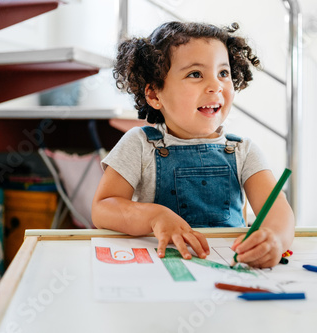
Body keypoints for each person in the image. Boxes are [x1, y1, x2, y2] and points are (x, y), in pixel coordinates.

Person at [92, 21, 294, 268]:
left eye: (223, 73)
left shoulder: (244, 150)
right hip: (163, 266)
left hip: (228, 268)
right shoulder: (139, 144)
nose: (216, 85)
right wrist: (155, 216)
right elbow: (103, 208)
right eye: (195, 74)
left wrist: (274, 238)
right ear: (155, 94)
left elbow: (278, 212)